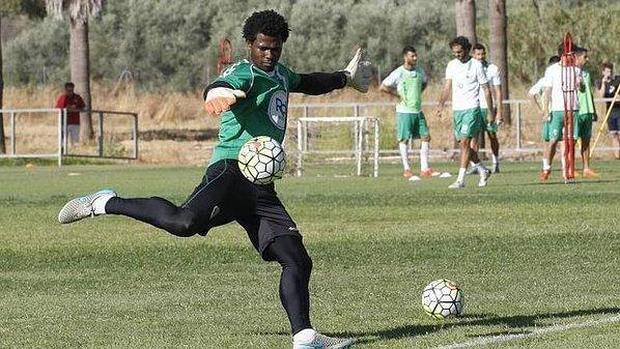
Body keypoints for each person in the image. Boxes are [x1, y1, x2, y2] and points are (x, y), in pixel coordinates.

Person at [57, 10, 371, 349]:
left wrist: (343, 77)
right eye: (263, 47)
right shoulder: (243, 72)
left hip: (261, 188)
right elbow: (221, 84)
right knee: (183, 222)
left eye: (275, 48)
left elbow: (308, 82)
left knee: (296, 259)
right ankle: (106, 201)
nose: (268, 54)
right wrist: (216, 94)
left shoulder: (280, 74)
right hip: (230, 171)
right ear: (250, 44)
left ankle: (305, 337)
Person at [435, 36, 493, 189]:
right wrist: (441, 105)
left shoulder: (476, 65)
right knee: (463, 145)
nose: (457, 55)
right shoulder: (451, 65)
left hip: (472, 108)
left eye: (459, 52)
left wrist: (491, 111)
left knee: (466, 142)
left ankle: (460, 179)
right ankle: (483, 169)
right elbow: (447, 86)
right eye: (454, 52)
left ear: (467, 50)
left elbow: (486, 89)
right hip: (457, 110)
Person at [380, 46, 433, 180]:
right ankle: (407, 169)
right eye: (412, 56)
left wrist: (418, 93)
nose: (415, 58)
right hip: (404, 111)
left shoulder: (420, 71)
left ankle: (425, 168)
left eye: (415, 56)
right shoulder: (399, 72)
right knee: (404, 139)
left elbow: (425, 82)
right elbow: (383, 86)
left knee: (425, 137)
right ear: (405, 57)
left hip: (417, 110)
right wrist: (397, 95)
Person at [540, 45, 583, 181]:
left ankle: (566, 170)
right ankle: (547, 166)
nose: (573, 56)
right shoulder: (552, 70)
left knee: (570, 141)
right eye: (570, 54)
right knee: (553, 141)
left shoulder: (576, 70)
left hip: (573, 108)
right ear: (563, 54)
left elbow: (581, 89)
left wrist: (580, 84)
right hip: (558, 109)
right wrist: (546, 110)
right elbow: (547, 91)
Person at [470, 43, 503, 173]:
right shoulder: (469, 68)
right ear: (473, 55)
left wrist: (499, 112)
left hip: (489, 107)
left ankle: (496, 162)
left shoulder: (492, 68)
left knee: (492, 135)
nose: (480, 56)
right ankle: (475, 166)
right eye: (478, 54)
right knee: (474, 137)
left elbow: (498, 91)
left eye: (482, 54)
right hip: (474, 107)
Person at [573, 47, 598, 177]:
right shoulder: (571, 73)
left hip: (588, 110)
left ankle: (586, 168)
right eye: (585, 57)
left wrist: (593, 109)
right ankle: (570, 167)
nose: (587, 59)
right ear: (576, 58)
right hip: (577, 110)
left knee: (586, 140)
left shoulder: (587, 73)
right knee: (572, 140)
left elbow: (589, 93)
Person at [596, 62, 620, 159]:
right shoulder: (600, 82)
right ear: (603, 72)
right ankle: (617, 157)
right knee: (614, 134)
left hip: (619, 110)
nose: (609, 73)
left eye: (610, 71)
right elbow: (601, 96)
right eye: (606, 71)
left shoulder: (618, 80)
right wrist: (603, 82)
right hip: (610, 112)